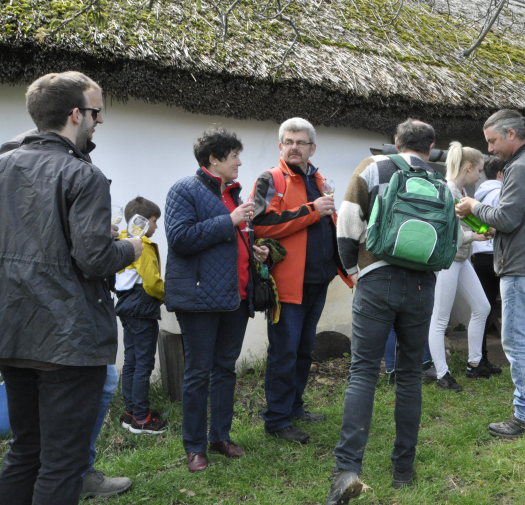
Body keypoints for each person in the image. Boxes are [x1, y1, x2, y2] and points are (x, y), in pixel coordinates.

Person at [0, 71, 142, 505]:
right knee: (62, 463)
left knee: (25, 451)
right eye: (96, 113)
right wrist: (129, 247)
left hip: (8, 334)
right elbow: (94, 259)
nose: (99, 121)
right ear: (76, 115)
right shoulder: (83, 174)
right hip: (67, 341)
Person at [326, 119, 439, 504]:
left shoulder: (373, 167)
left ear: (396, 142)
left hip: (376, 278)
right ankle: (402, 471)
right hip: (423, 285)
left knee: (363, 372)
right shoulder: (438, 180)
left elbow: (347, 222)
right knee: (409, 376)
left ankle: (347, 471)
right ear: (430, 147)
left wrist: (355, 271)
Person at [164, 126, 270, 473]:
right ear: (214, 158)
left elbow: (228, 239)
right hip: (199, 299)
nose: (240, 161)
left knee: (225, 370)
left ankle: (219, 437)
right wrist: (230, 221)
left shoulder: (233, 193)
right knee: (197, 373)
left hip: (235, 297)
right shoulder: (184, 189)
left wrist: (253, 250)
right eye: (235, 155)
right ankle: (194, 447)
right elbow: (180, 238)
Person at [456, 109, 525, 439]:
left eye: (492, 141)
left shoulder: (522, 167)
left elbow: (508, 218)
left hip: (522, 266)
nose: (490, 149)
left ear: (512, 135)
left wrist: (474, 207)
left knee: (516, 341)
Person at [251, 117, 353, 444]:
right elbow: (262, 224)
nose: (294, 147)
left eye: (300, 142)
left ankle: (294, 407)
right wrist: (312, 209)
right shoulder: (271, 179)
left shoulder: (319, 179)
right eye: (288, 142)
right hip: (286, 287)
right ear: (281, 146)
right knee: (284, 352)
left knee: (304, 350)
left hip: (317, 282)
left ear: (312, 148)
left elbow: (327, 226)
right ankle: (277, 420)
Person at [428, 142, 491, 392]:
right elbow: (443, 232)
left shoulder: (461, 192)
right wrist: (475, 237)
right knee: (440, 317)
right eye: (479, 170)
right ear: (468, 167)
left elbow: (469, 226)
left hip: (461, 259)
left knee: (482, 307)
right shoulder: (446, 191)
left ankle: (475, 364)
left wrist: (483, 230)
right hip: (447, 260)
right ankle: (442, 374)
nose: (480, 175)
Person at [115, 197, 167, 434]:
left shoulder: (121, 242)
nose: (156, 227)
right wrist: (170, 297)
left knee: (132, 361)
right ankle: (142, 419)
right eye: (154, 221)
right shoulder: (142, 245)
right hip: (142, 308)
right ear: (144, 222)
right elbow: (152, 283)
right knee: (143, 363)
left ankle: (130, 413)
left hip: (126, 306)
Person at [471, 156, 506, 375]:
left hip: (479, 255)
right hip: (498, 253)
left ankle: (480, 358)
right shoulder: (503, 193)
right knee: (510, 305)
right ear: (501, 174)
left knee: (483, 309)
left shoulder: (478, 194)